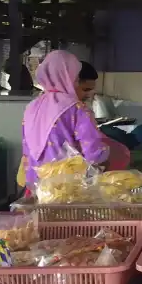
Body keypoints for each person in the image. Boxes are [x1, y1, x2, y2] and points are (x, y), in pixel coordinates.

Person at [16, 51, 110, 191]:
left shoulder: (31, 107)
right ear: (67, 77)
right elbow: (93, 153)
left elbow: (26, 149)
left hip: (35, 185)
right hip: (66, 189)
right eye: (76, 79)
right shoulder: (77, 109)